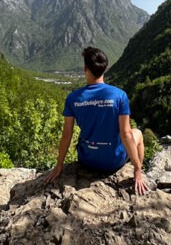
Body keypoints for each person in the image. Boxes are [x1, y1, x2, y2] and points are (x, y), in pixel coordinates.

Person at [44, 46, 149, 195]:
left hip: (87, 161)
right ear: (104, 68)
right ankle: (139, 169)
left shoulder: (73, 98)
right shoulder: (119, 96)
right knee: (137, 132)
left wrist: (59, 166)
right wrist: (137, 170)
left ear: (86, 68)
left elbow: (67, 135)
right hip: (112, 163)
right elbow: (125, 134)